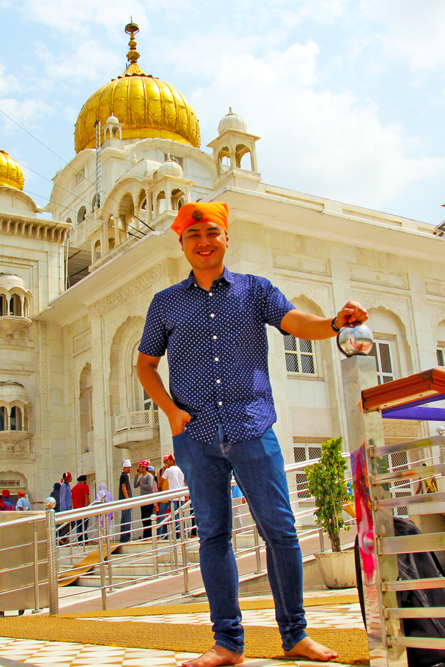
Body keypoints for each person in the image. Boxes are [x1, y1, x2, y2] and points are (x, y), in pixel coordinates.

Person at [136, 202, 366, 666]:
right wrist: (170, 412)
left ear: (226, 238)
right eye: (193, 235)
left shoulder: (254, 291)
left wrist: (335, 323)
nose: (203, 242)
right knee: (214, 536)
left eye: (212, 233)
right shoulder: (166, 303)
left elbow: (295, 322)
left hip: (252, 425)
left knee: (280, 530)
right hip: (195, 433)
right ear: (182, 244)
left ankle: (295, 635)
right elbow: (145, 365)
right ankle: (227, 644)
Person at [161, 454, 187, 537]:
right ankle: (185, 533)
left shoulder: (168, 470)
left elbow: (161, 480)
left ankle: (179, 535)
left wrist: (164, 469)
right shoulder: (181, 469)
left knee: (175, 516)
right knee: (181, 516)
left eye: (168, 460)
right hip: (181, 495)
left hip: (173, 496)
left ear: (172, 461)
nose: (167, 462)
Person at [134, 461, 155, 539]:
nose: (139, 468)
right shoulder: (141, 478)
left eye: (140, 467)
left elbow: (150, 486)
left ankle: (149, 536)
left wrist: (141, 484)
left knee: (148, 518)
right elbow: (135, 485)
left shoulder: (149, 476)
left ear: (143, 467)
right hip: (143, 501)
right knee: (144, 519)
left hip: (148, 501)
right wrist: (136, 476)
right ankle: (145, 536)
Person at [72, 475, 90, 544]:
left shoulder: (74, 488)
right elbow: (86, 496)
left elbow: (72, 500)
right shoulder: (85, 486)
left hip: (77, 509)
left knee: (78, 525)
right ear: (84, 480)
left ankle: (80, 540)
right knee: (84, 525)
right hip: (83, 509)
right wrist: (89, 506)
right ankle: (85, 540)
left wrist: (74, 509)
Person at [118, 460, 133, 543]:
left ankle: (123, 538)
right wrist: (128, 500)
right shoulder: (124, 476)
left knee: (124, 519)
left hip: (123, 501)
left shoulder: (123, 476)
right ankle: (126, 538)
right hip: (125, 501)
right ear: (124, 468)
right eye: (128, 467)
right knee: (127, 519)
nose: (130, 469)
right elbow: (124, 488)